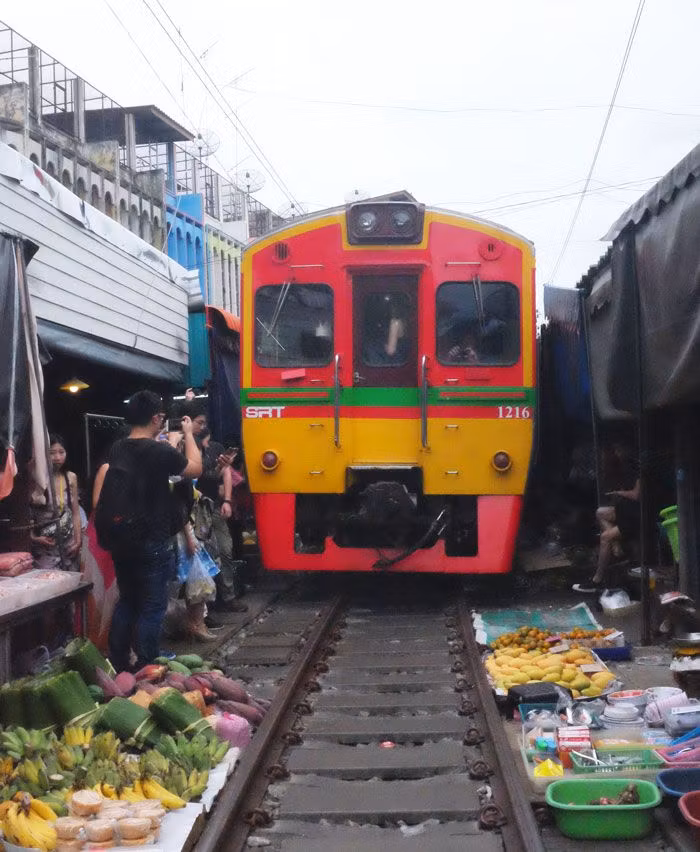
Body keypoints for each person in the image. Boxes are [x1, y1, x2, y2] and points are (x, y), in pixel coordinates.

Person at [103, 391, 202, 672]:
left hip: (122, 539)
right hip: (151, 537)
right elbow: (195, 467)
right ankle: (148, 662)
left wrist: (170, 444)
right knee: (153, 605)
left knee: (128, 601)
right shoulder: (157, 451)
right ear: (157, 418)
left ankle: (119, 660)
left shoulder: (119, 448)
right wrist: (188, 435)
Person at [574, 443, 640, 593]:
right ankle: (617, 548)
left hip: (636, 517)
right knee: (600, 512)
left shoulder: (639, 473)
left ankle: (597, 579)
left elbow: (636, 495)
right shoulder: (622, 471)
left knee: (605, 537)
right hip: (625, 512)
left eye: (618, 450)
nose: (616, 452)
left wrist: (620, 493)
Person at [30, 434, 82, 571]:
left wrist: (78, 540)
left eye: (61, 452)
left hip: (68, 545)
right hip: (45, 547)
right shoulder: (36, 478)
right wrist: (33, 537)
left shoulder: (71, 477)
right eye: (52, 453)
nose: (58, 457)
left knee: (72, 584)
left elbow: (76, 512)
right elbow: (24, 513)